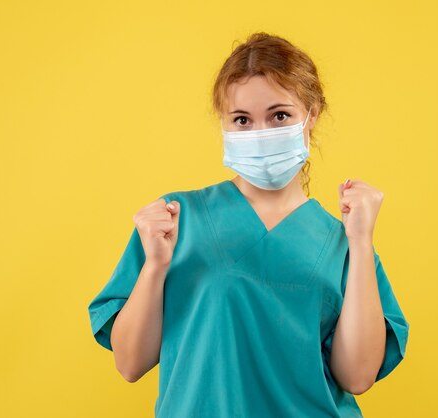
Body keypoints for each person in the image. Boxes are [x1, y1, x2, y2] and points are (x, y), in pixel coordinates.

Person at [88, 31, 409, 417]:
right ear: (224, 124)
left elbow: (357, 376)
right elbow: (129, 364)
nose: (261, 134)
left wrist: (360, 243)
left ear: (312, 115)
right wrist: (155, 265)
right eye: (242, 119)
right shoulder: (173, 222)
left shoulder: (343, 241)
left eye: (279, 116)